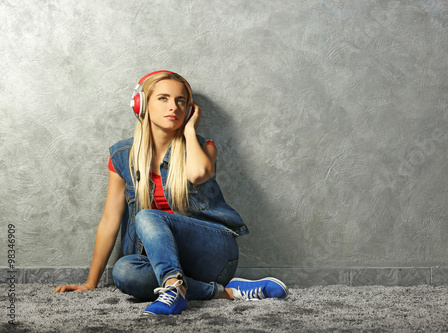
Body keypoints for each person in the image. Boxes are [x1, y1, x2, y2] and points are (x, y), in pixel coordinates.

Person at [54, 70, 287, 315]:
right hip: (163, 261)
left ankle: (175, 287)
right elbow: (109, 221)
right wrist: (90, 283)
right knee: (123, 271)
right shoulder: (122, 156)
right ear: (142, 104)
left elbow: (198, 174)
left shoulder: (203, 147)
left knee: (147, 215)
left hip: (213, 252)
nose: (173, 107)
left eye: (180, 101)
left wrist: (188, 132)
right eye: (163, 98)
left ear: (189, 109)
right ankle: (223, 292)